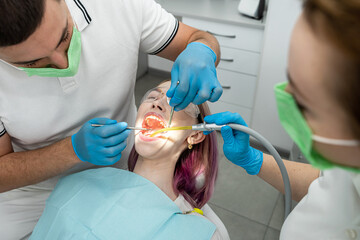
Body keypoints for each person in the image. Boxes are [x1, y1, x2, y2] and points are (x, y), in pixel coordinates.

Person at [0, 0, 223, 238]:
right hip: (31, 195)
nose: (62, 63)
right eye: (32, 63)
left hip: (122, 168)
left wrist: (203, 50)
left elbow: (198, 38)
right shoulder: (69, 189)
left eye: (64, 38)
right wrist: (70, 150)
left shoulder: (119, 5)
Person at [204, 0, 360, 238]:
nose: (287, 94)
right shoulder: (348, 161)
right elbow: (326, 182)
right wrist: (253, 159)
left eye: (305, 94)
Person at [29, 81, 230, 239]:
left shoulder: (199, 232)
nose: (157, 103)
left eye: (175, 102)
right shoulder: (78, 182)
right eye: (152, 96)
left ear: (195, 135)